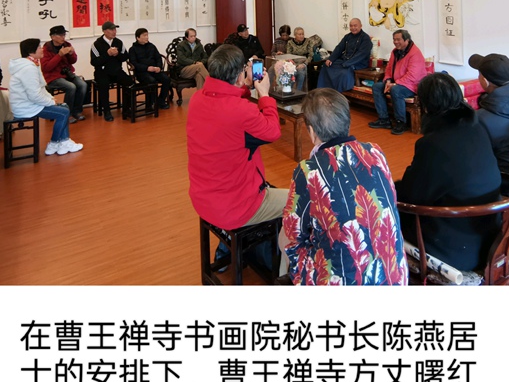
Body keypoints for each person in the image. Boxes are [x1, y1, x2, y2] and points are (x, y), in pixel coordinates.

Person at [281, 88, 408, 286]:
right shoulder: (375, 152)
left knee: (284, 237)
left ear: (312, 131)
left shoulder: (308, 170)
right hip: (393, 276)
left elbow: (294, 232)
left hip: (341, 283)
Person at [187, 44, 289, 269]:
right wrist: (264, 94)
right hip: (234, 206)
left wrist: (244, 85)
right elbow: (273, 131)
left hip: (203, 196)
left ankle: (226, 252)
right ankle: (283, 273)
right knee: (297, 199)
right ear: (240, 74)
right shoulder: (241, 111)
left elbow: (226, 100)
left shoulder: (197, 99)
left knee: (257, 181)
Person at [396, 72, 501, 271]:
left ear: (426, 106)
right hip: (491, 234)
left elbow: (412, 196)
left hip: (456, 248)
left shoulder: (433, 144)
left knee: (384, 212)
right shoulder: (478, 127)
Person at [8, 38, 83, 156]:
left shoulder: (33, 64)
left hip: (30, 103)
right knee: (64, 113)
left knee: (64, 106)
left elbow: (41, 87)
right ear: (31, 52)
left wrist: (51, 98)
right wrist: (51, 102)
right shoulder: (28, 68)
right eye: (39, 47)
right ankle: (54, 143)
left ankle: (64, 142)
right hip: (26, 107)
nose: (42, 49)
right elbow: (34, 95)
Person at [369, 29, 427, 135]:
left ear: (407, 40)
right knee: (377, 87)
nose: (395, 42)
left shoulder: (415, 53)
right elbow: (389, 68)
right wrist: (388, 80)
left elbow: (413, 76)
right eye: (394, 39)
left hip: (412, 85)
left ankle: (401, 123)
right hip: (397, 82)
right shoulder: (395, 51)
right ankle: (384, 119)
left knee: (396, 90)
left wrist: (395, 84)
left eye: (398, 39)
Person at [41, 25, 88, 123]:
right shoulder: (46, 49)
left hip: (67, 74)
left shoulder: (66, 45)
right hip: (53, 77)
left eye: (64, 35)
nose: (63, 37)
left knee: (83, 84)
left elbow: (73, 61)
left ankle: (77, 111)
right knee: (71, 87)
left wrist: (71, 54)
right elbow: (46, 68)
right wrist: (59, 55)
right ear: (53, 37)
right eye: (60, 35)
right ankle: (67, 113)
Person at [90, 21, 133, 122]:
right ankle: (107, 111)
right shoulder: (97, 44)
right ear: (105, 31)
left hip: (116, 71)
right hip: (102, 72)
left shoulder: (118, 42)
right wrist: (107, 54)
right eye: (111, 30)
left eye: (115, 29)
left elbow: (125, 57)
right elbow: (94, 62)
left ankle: (127, 108)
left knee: (129, 82)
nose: (114, 32)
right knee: (104, 85)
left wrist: (117, 54)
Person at [316, 18, 372, 92]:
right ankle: (324, 91)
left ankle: (341, 93)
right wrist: (330, 59)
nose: (353, 28)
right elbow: (339, 48)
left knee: (344, 72)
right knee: (327, 66)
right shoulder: (347, 36)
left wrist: (347, 63)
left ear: (360, 26)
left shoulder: (365, 38)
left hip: (358, 63)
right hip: (345, 60)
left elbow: (361, 54)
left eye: (355, 26)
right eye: (351, 26)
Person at [129, 28, 171, 109]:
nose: (147, 37)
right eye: (144, 35)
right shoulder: (133, 49)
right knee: (151, 81)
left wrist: (159, 67)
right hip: (141, 72)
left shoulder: (152, 46)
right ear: (138, 38)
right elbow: (134, 63)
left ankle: (161, 101)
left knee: (166, 79)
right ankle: (151, 102)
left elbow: (158, 58)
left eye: (147, 35)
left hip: (154, 70)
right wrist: (147, 68)